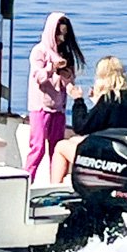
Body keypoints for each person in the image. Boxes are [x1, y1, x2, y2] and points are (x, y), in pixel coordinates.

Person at [49, 55, 127, 183]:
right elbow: (112, 121)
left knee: (61, 146)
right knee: (74, 140)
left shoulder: (108, 100)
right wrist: (97, 103)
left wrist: (78, 101)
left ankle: (55, 188)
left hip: (108, 159)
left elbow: (81, 127)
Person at [26, 12, 85, 182]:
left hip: (58, 108)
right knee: (37, 147)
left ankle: (55, 183)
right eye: (58, 34)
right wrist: (52, 67)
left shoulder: (64, 53)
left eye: (64, 35)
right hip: (40, 107)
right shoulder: (39, 51)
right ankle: (27, 180)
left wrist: (68, 78)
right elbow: (39, 77)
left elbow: (67, 82)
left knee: (57, 148)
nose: (61, 38)